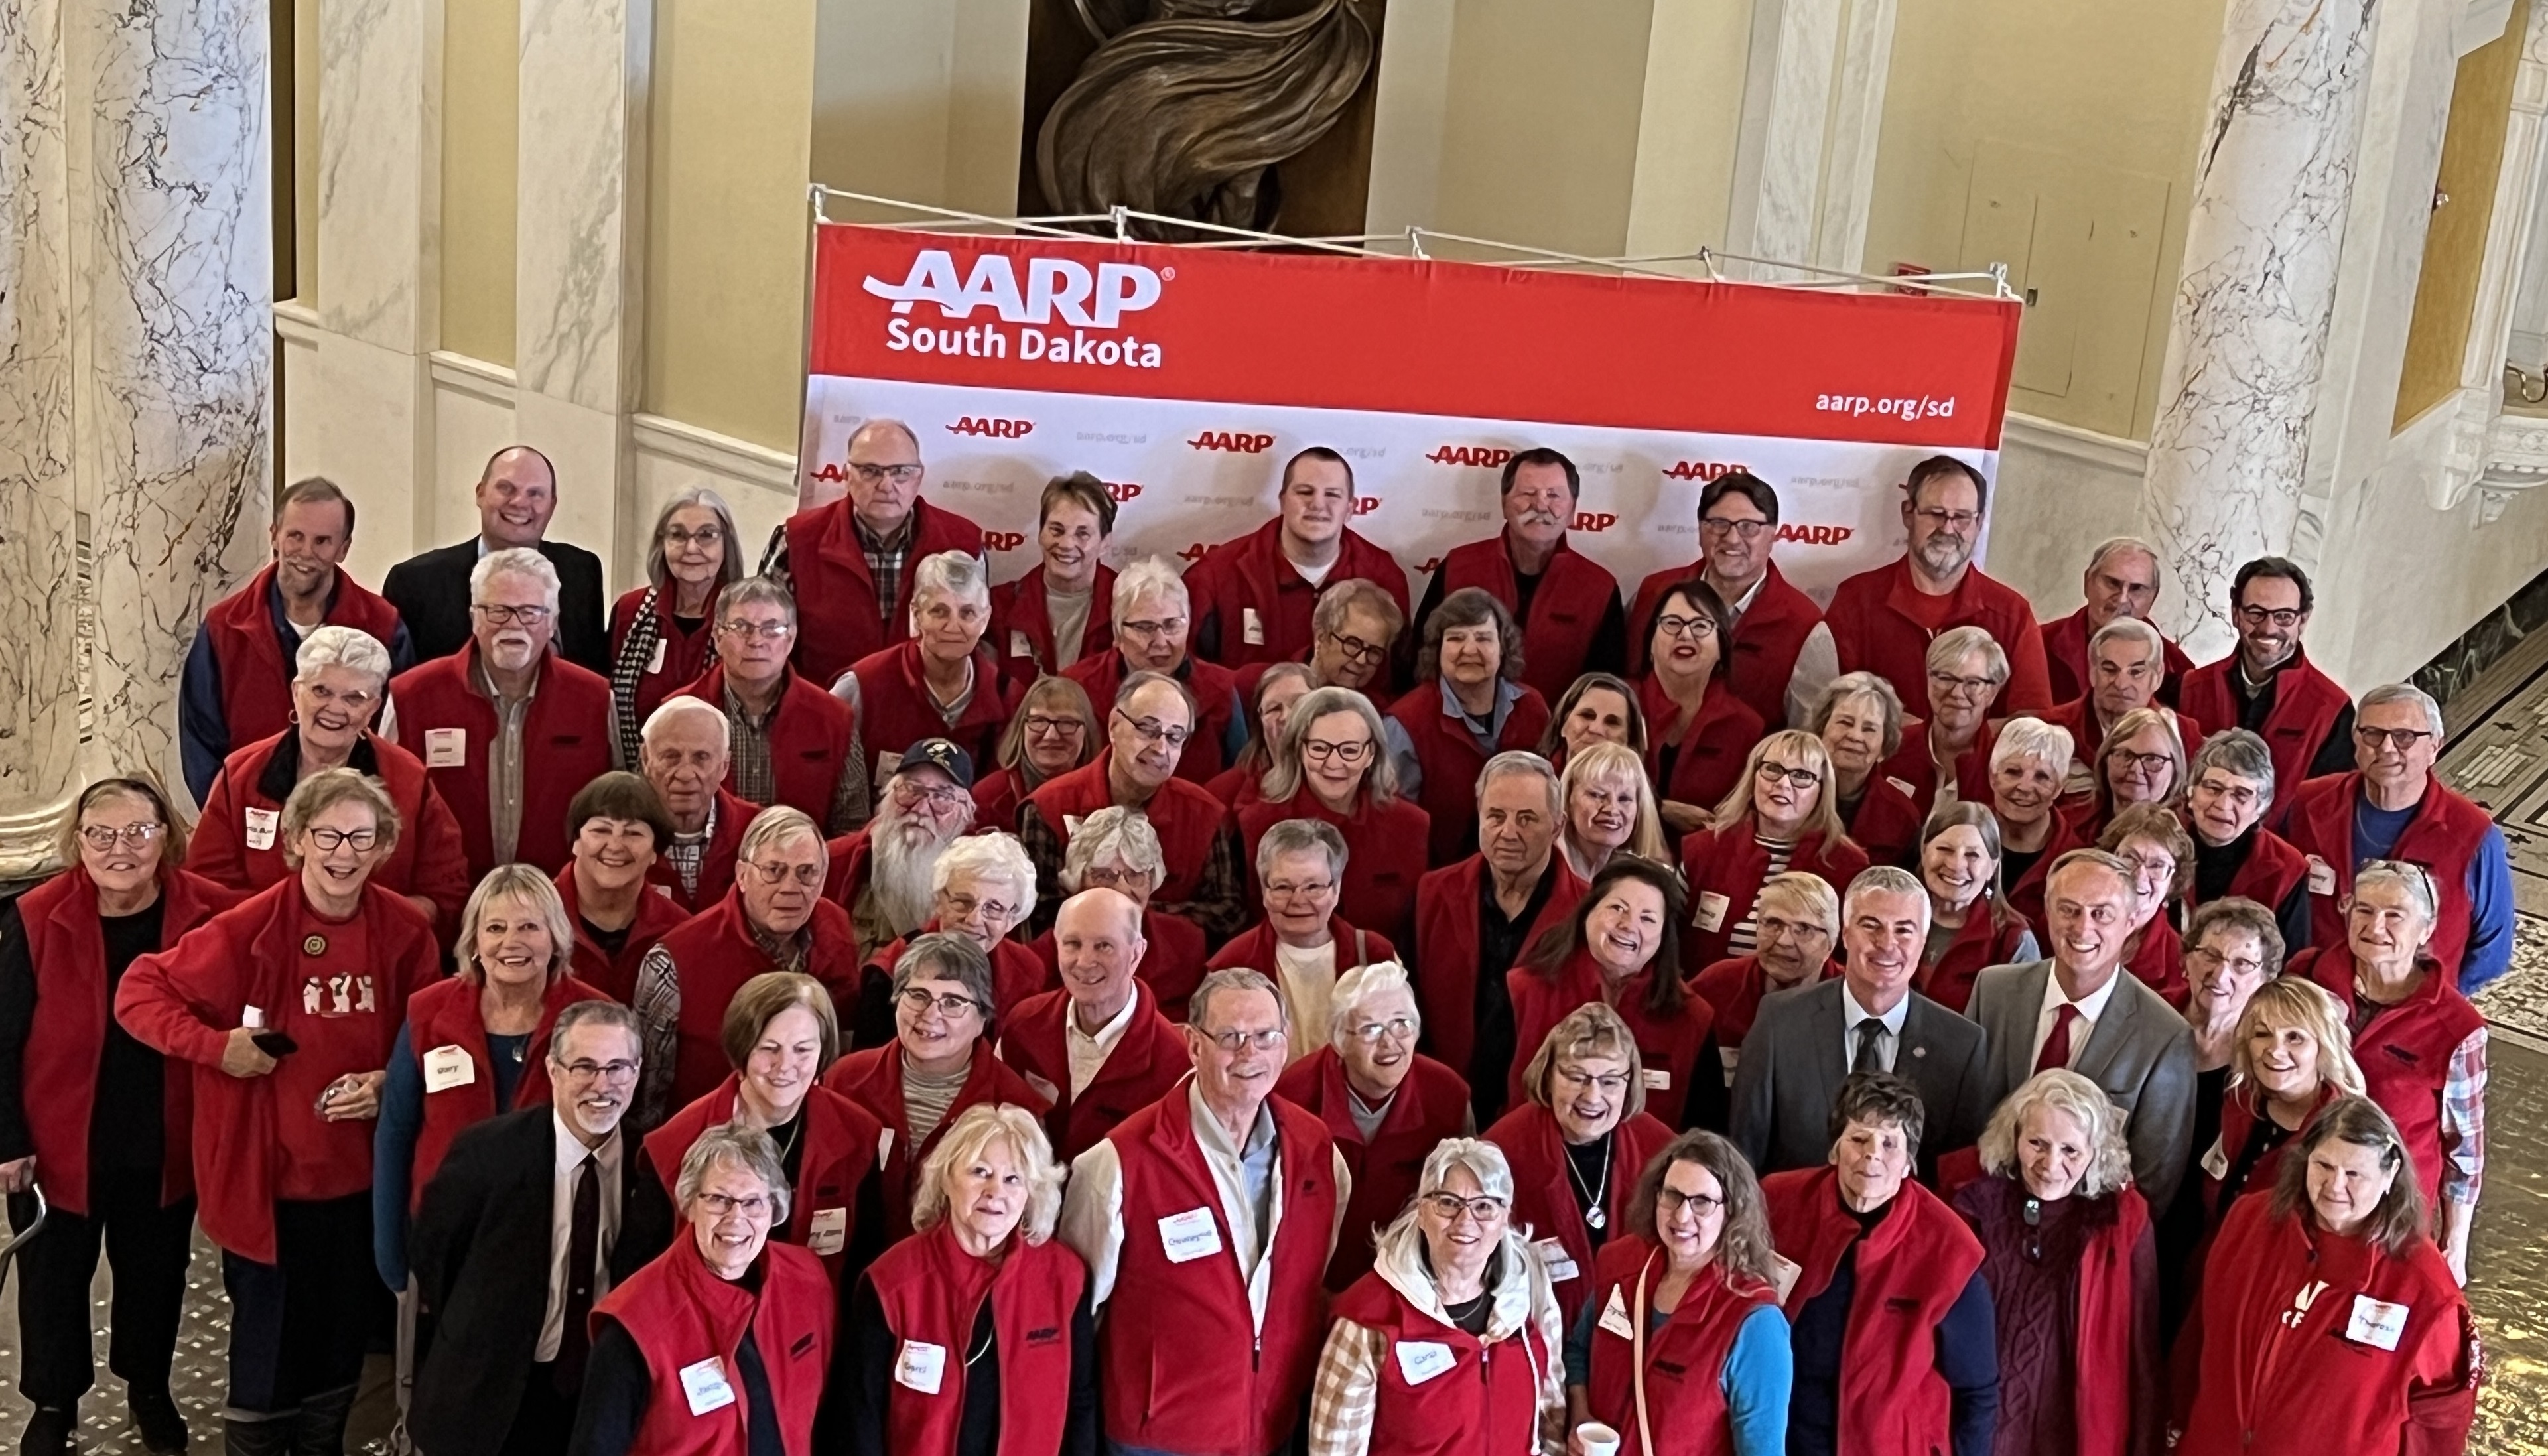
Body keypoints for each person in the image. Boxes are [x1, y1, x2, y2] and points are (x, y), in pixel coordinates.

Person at [113, 769, 441, 1455]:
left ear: (383, 845)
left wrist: (390, 1081)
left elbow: (433, 1033)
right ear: (295, 839)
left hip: (361, 1186)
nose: (343, 852)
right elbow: (140, 992)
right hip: (269, 1186)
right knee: (266, 1353)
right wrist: (215, 1047)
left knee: (341, 1341)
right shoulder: (249, 926)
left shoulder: (407, 931)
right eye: (328, 834)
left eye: (361, 836)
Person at [0, 778, 240, 1456]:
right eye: (100, 834)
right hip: (58, 1142)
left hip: (165, 1138)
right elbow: (2, 1036)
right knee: (51, 1283)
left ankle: (150, 1389)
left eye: (139, 830)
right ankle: (53, 1402)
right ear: (76, 842)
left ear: (168, 836)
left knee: (156, 1276)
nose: (120, 848)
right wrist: (7, 1140)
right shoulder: (35, 915)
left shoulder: (210, 912)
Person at [1059, 967, 1351, 1456]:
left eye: (1264, 1036)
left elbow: (1310, 1272)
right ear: (1194, 1045)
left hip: (1270, 1424)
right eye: (1230, 1037)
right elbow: (1080, 1313)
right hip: (1158, 1436)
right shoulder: (1119, 1161)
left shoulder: (1319, 1150)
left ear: (1286, 1043)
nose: (1249, 1054)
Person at [405, 1002, 675, 1456]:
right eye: (584, 1067)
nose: (602, 1085)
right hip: (496, 1386)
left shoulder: (653, 1163)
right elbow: (436, 1256)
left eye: (617, 1068)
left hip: (600, 1389)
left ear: (639, 1070)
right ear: (553, 1069)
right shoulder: (486, 1153)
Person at [2170, 1098, 2478, 1456]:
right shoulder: (2249, 1221)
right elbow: (2199, 1332)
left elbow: (2439, 1420)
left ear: (2390, 1174)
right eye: (2324, 1165)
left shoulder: (2426, 1289)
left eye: (2353, 1175)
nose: (2334, 1186)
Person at [374, 866, 613, 1292]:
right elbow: (395, 1132)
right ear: (475, 942)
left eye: (529, 927)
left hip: (556, 1240)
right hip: (448, 1235)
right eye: (496, 928)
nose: (511, 943)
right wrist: (391, 1252)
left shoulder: (596, 1018)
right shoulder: (427, 1013)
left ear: (555, 938)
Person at [1761, 1073, 1998, 1456]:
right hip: (1788, 1438)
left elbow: (1978, 1392)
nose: (1873, 1153)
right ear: (1834, 1150)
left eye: (1890, 1143)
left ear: (1909, 1163)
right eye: (1859, 1138)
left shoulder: (1948, 1247)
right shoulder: (1777, 1204)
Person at [570, 1124, 837, 1456]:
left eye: (753, 1202)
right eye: (719, 1199)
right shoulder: (633, 1323)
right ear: (690, 1204)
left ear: (775, 1209)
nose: (736, 1219)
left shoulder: (807, 1281)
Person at [847, 1104, 1097, 1456]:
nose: (996, 1192)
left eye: (1014, 1179)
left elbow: (1081, 1400)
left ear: (1031, 1192)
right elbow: (862, 1415)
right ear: (947, 1179)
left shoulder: (1065, 1277)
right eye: (980, 1172)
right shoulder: (891, 1281)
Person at [1965, 848, 2199, 1214]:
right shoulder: (1993, 993)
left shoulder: (2164, 1037)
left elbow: (2154, 1181)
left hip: (2085, 1244)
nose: (2082, 928)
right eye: (2069, 910)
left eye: (2101, 914)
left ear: (2132, 920)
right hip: (1985, 1221)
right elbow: (1969, 1120)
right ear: (2047, 910)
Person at [192, 625, 472, 927]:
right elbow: (208, 886)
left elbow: (443, 891)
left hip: (376, 956)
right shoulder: (241, 774)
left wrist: (369, 929)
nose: (335, 709)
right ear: (296, 692)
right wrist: (289, 926)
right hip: (262, 953)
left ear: (373, 709)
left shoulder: (408, 779)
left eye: (354, 698)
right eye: (321, 691)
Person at [2287, 860, 2486, 1282]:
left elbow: (2464, 1148)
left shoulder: (2456, 1027)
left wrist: (2455, 1244)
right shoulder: (2308, 975)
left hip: (2389, 1212)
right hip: (2299, 1183)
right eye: (2363, 910)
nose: (2376, 926)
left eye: (2395, 915)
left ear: (2427, 930)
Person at [1312, 1138, 1570, 1456]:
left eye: (1485, 1206)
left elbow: (1552, 1422)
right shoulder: (1368, 1319)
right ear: (1421, 1212)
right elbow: (1334, 1450)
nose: (1465, 1221)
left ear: (1504, 1220)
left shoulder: (1532, 1300)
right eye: (1448, 1203)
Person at [1946, 1069, 2158, 1456]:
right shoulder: (1969, 1200)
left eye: (2071, 1150)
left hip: (2068, 1427)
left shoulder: (2124, 1219)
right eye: (2037, 1143)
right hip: (1972, 1421)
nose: (2050, 1163)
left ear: (2096, 1153)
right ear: (2014, 1137)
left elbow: (2141, 1350)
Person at [1730, 866, 1990, 1177]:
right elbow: (1744, 1159)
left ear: (1923, 941)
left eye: (1904, 930)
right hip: (1795, 1220)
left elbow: (1955, 1178)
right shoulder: (1779, 1023)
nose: (1886, 943)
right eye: (1872, 925)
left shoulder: (1962, 1045)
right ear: (1846, 932)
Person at [643, 972, 885, 1286]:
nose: (785, 1066)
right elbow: (642, 1268)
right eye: (769, 1048)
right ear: (742, 1050)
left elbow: (865, 1258)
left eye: (803, 1050)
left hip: (813, 1321)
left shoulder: (859, 1133)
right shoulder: (676, 1143)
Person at [387, 547, 614, 878]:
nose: (513, 625)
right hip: (446, 907)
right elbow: (385, 810)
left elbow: (616, 807)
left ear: (552, 622)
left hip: (559, 908)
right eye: (498, 611)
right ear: (474, 617)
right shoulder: (413, 696)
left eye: (530, 612)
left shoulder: (594, 700)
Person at [182, 478, 413, 800]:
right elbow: (202, 742)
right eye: (295, 536)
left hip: (353, 828)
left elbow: (398, 736)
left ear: (343, 548)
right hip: (254, 821)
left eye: (322, 541)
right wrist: (230, 818)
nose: (306, 553)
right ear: (274, 536)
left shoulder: (384, 627)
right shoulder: (224, 628)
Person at [1566, 1130, 1792, 1456]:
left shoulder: (1755, 1323)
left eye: (1702, 1202)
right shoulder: (1622, 1270)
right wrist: (1580, 1414)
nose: (1682, 1216)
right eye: (1672, 1195)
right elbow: (1578, 1351)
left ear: (1732, 1212)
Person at [631, 805, 862, 1124]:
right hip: (708, 1140)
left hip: (810, 1138)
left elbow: (842, 1050)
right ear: (742, 875)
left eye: (807, 872)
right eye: (774, 870)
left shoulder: (838, 930)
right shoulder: (674, 960)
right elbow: (646, 1097)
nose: (791, 887)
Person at [2279, 683, 2513, 992]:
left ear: (2435, 746)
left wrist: (2434, 1002)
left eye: (2404, 737)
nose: (2387, 748)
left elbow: (2492, 949)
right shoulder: (2307, 804)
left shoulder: (2473, 835)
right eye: (2373, 734)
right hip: (2316, 1003)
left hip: (2414, 1016)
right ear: (2356, 740)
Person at [823, 934, 1047, 1243]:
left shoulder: (1016, 1107)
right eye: (918, 995)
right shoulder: (844, 1082)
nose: (930, 1015)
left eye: (954, 1002)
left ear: (983, 1018)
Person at [1414, 751, 1589, 1126]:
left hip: (1540, 1114)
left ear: (1558, 827)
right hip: (1442, 1107)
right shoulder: (1433, 894)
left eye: (1527, 819)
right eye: (1495, 816)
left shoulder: (1587, 911)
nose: (1508, 832)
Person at [1804, 454, 2051, 714]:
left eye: (1962, 518)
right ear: (1908, 514)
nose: (1947, 529)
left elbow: (2033, 722)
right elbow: (1828, 708)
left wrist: (1950, 740)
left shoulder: (2013, 613)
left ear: (1979, 524)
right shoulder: (1856, 600)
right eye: (1936, 514)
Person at [1275, 962, 1470, 1290]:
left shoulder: (1447, 1095)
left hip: (1411, 1283)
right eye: (1370, 1029)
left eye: (1401, 1025)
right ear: (1339, 1040)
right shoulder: (1291, 1097)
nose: (1389, 1043)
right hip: (1310, 1282)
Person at [1013, 671, 1247, 941]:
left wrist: (1129, 913)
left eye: (1174, 737)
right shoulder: (1048, 806)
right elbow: (1039, 912)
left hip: (1174, 968)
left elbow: (1229, 913)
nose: (1160, 748)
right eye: (1148, 729)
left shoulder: (1204, 814)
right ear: (1114, 725)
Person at [1485, 1004, 1674, 1315]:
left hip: (1637, 1333)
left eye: (1611, 1081)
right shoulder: (1502, 1150)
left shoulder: (1662, 1150)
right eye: (1576, 1077)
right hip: (1532, 1330)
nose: (1593, 1096)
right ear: (1548, 1074)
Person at [1508, 858, 1721, 1132]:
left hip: (1650, 1169)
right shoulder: (1523, 991)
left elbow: (1705, 1132)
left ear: (1664, 935)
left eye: (1647, 919)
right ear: (1588, 911)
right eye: (1617, 908)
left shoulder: (1694, 1018)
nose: (1628, 925)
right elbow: (1487, 1100)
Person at [775, 417, 988, 687]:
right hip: (825, 710)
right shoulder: (797, 540)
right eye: (871, 471)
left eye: (900, 471)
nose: (886, 485)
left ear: (919, 476)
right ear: (846, 475)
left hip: (929, 710)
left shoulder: (963, 543)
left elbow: (980, 643)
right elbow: (767, 641)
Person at [2157, 898, 2285, 1331]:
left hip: (2210, 1234)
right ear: (2185, 959)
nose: (2220, 973)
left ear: (2265, 978)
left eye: (2241, 963)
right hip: (2134, 1213)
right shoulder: (2146, 1019)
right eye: (2208, 955)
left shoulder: (2266, 1060)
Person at [996, 888, 1189, 1161]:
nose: (1085, 962)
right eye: (1073, 944)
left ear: (1136, 953)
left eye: (1104, 946)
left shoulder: (1176, 1062)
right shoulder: (1023, 1024)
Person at [1418, 446, 1627, 697]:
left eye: (1554, 495)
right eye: (1528, 493)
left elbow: (1606, 690)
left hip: (1557, 732)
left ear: (1573, 510)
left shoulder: (1599, 588)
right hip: (1458, 729)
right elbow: (1420, 662)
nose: (1540, 505)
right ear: (1504, 503)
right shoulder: (1458, 568)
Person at [1628, 470, 1824, 727]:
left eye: (1749, 527)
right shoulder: (1653, 593)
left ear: (1773, 535)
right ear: (1700, 530)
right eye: (1719, 524)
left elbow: (1807, 735)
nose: (1732, 539)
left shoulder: (1805, 623)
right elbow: (1627, 689)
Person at [1187, 446, 1412, 669]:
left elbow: (1397, 684)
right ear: (1283, 501)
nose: (1317, 504)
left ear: (1351, 508)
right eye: (1305, 492)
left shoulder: (1384, 578)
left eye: (1332, 494)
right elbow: (1190, 674)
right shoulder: (1216, 576)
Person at [383, 445, 608, 669]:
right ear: (480, 493)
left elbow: (593, 671)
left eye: (535, 494)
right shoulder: (415, 583)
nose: (520, 502)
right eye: (506, 488)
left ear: (551, 506)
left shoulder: (582, 572)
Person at [1241, 685, 1431, 948]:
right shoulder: (1255, 824)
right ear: (1299, 750)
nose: (1334, 763)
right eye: (1320, 748)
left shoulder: (1411, 826)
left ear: (1370, 755)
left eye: (1350, 750)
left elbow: (1414, 932)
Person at [2189, 978, 2362, 1260]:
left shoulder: (2343, 1131)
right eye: (2262, 1034)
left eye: (2295, 1037)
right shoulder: (2240, 1100)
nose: (2275, 1050)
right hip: (2217, 1256)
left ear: (2324, 1045)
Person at [680, 574, 864, 834]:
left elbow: (851, 828)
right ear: (717, 636)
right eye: (741, 627)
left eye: (772, 628)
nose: (756, 641)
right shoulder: (679, 714)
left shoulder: (834, 719)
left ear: (791, 638)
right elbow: (656, 813)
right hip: (705, 870)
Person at [1384, 586, 1554, 864]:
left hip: (1524, 863)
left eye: (1484, 638)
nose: (1470, 650)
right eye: (1456, 638)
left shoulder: (1533, 708)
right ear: (1437, 650)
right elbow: (1397, 826)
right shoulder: (1405, 724)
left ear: (1503, 648)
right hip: (1436, 871)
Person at [1676, 732, 1869, 975]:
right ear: (1753, 777)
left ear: (1822, 790)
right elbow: (1667, 939)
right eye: (1773, 769)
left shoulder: (1846, 866)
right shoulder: (1704, 850)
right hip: (1706, 1000)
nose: (1783, 784)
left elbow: (1853, 961)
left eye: (1802, 776)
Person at [1209, 817, 1398, 1057]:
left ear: (1336, 889)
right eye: (1283, 887)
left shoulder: (1375, 956)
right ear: (1264, 891)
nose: (1298, 900)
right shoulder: (1230, 966)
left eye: (1313, 887)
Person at [2175, 556, 2356, 795]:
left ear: (2303, 619)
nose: (2269, 628)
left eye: (2284, 616)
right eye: (2256, 613)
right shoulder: (2192, 688)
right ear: (2235, 614)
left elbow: (2325, 806)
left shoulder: (2332, 707)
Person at [1063, 555, 1248, 782]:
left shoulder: (1221, 690)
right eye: (1145, 627)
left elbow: (1240, 778)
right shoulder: (1077, 687)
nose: (1161, 641)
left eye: (1172, 625)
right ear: (1117, 634)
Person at [852, 830, 1047, 1043]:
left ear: (1013, 919)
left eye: (994, 908)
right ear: (939, 901)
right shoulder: (890, 971)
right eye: (963, 902)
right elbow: (870, 1066)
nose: (974, 920)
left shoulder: (1028, 971)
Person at [842, 549, 1022, 781]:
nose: (953, 627)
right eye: (939, 611)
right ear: (917, 615)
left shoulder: (1008, 696)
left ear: (985, 619)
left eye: (967, 613)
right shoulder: (863, 685)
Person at [1026, 807, 1213, 1020]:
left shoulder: (1187, 942)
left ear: (1153, 880)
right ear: (1078, 881)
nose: (1123, 889)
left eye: (1135, 874)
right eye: (1105, 875)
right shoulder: (1041, 958)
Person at [608, 487, 742, 769]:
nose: (692, 548)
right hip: (636, 778)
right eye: (678, 535)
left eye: (707, 535)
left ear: (726, 545)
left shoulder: (743, 618)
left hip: (719, 781)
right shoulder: (631, 612)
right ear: (662, 544)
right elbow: (606, 709)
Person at [829, 739, 983, 958]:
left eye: (942, 797)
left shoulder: (980, 876)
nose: (921, 809)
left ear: (965, 813)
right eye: (911, 790)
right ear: (889, 795)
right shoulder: (836, 861)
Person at [1635, 578, 1765, 838]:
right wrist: (1658, 808)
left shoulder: (1747, 728)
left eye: (1701, 626)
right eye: (1672, 623)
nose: (1685, 635)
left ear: (1722, 647)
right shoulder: (1617, 703)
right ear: (1650, 643)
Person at [1689, 870, 1841, 1077]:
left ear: (1830, 942)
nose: (1784, 941)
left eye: (1804, 928)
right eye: (1773, 923)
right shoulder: (1714, 986)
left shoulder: (1853, 996)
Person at [557, 771, 691, 1001]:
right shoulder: (532, 919)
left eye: (633, 833)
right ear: (576, 842)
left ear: (655, 853)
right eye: (601, 830)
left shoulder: (681, 933)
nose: (616, 846)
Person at [2182, 728, 2311, 951]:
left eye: (2241, 795)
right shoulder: (2159, 845)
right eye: (2213, 788)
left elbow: (2293, 961)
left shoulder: (2287, 867)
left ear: (2260, 808)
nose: (2223, 805)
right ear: (2191, 793)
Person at [989, 470, 1118, 687]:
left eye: (1082, 534)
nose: (1067, 544)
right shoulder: (1000, 605)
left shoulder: (1130, 606)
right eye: (1057, 530)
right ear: (1041, 534)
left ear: (1105, 543)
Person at [2036, 536, 2194, 706]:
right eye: (2112, 583)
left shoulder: (2176, 666)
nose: (2122, 600)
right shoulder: (2037, 645)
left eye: (2136, 589)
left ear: (2153, 597)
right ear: (2088, 582)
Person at [1912, 801, 2037, 1014]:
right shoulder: (1892, 915)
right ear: (1924, 852)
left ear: (1993, 866)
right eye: (1944, 849)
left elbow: (2018, 1026)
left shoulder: (2013, 938)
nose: (1956, 865)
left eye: (1973, 855)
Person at [637, 696, 760, 912]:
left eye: (701, 757)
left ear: (725, 766)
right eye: (671, 756)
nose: (685, 774)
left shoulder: (758, 831)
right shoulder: (615, 835)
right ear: (646, 759)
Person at [2040, 617, 2175, 806]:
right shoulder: (2049, 729)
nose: (2121, 684)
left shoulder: (2183, 735)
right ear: (2092, 672)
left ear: (2157, 676)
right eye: (2110, 669)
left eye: (2136, 672)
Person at [1878, 627, 2008, 810]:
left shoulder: (2008, 766)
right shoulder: (1892, 747)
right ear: (1929, 681)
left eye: (1973, 683)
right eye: (1946, 678)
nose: (1956, 693)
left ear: (1992, 693)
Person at [1810, 671, 1922, 866]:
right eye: (1845, 722)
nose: (1855, 736)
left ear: (1884, 746)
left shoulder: (1903, 817)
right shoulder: (1787, 790)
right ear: (1822, 729)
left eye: (1869, 729)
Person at [1985, 717, 2083, 928]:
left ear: (2059, 788)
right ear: (1993, 777)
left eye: (2042, 777)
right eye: (2013, 772)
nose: (2025, 787)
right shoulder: (1960, 839)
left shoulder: (2076, 862)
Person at [971, 673, 1098, 831]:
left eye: (1067, 723)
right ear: (1021, 729)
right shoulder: (988, 796)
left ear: (1087, 732)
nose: (1051, 736)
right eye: (1039, 721)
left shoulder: (1103, 796)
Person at [1556, 740, 1669, 881]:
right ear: (1567, 801)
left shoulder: (1642, 878)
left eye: (1624, 799)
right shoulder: (1543, 868)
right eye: (1596, 795)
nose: (1612, 809)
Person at [1209, 661, 1316, 805]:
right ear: (1260, 720)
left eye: (1299, 703)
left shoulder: (1344, 784)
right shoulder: (1223, 792)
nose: (1286, 716)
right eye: (1274, 709)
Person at [2075, 706, 2186, 842]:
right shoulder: (2074, 826)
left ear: (2175, 771)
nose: (2136, 768)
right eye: (2126, 755)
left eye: (2152, 759)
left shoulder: (2187, 839)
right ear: (2105, 760)